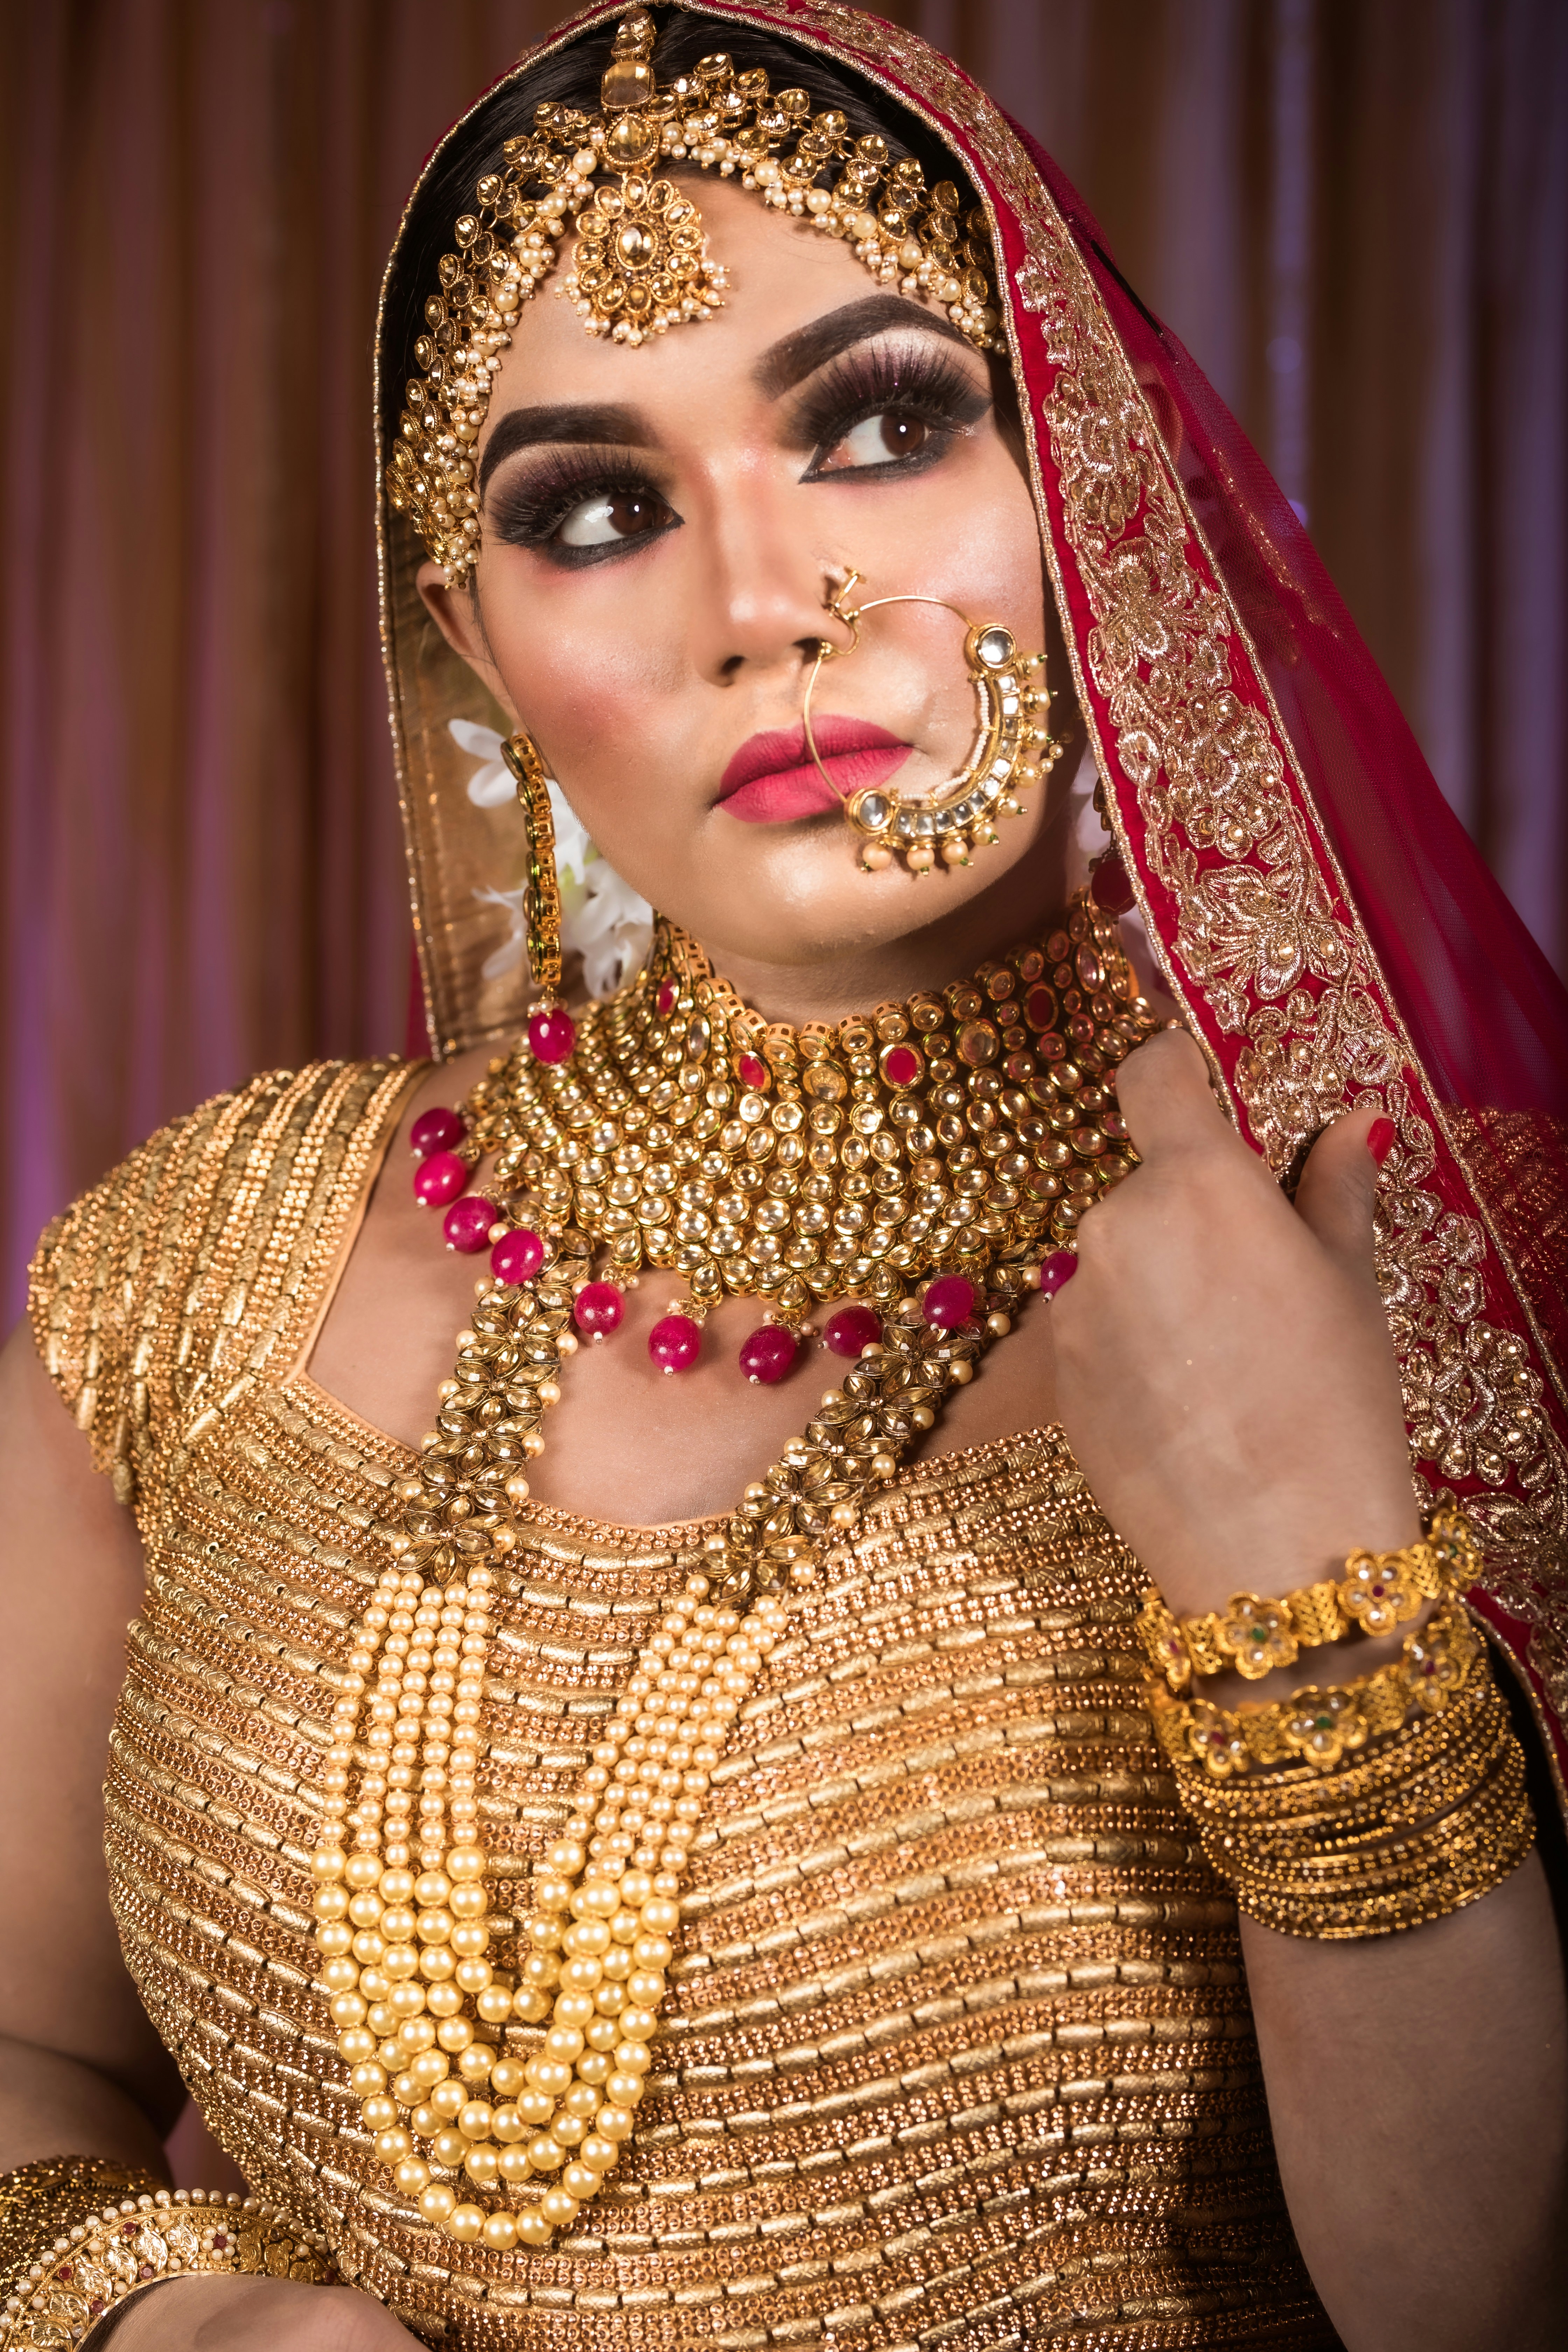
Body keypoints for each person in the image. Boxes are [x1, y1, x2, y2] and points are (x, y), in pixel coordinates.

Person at [2, 7, 1565, 2348]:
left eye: (885, 424)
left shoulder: (1450, 1263)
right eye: (594, 511)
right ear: (481, 650)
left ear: (1094, 486)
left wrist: (1301, 1562)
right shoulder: (208, 1261)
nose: (763, 600)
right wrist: (168, 2317)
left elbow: (1483, 2310)